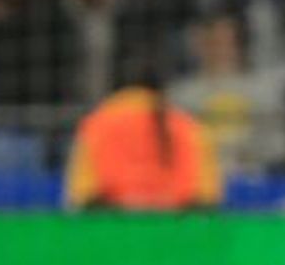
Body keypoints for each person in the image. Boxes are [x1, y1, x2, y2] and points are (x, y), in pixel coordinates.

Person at [64, 65, 221, 211]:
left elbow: (81, 198)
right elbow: (207, 198)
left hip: (114, 232)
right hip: (176, 232)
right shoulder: (189, 127)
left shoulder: (96, 126)